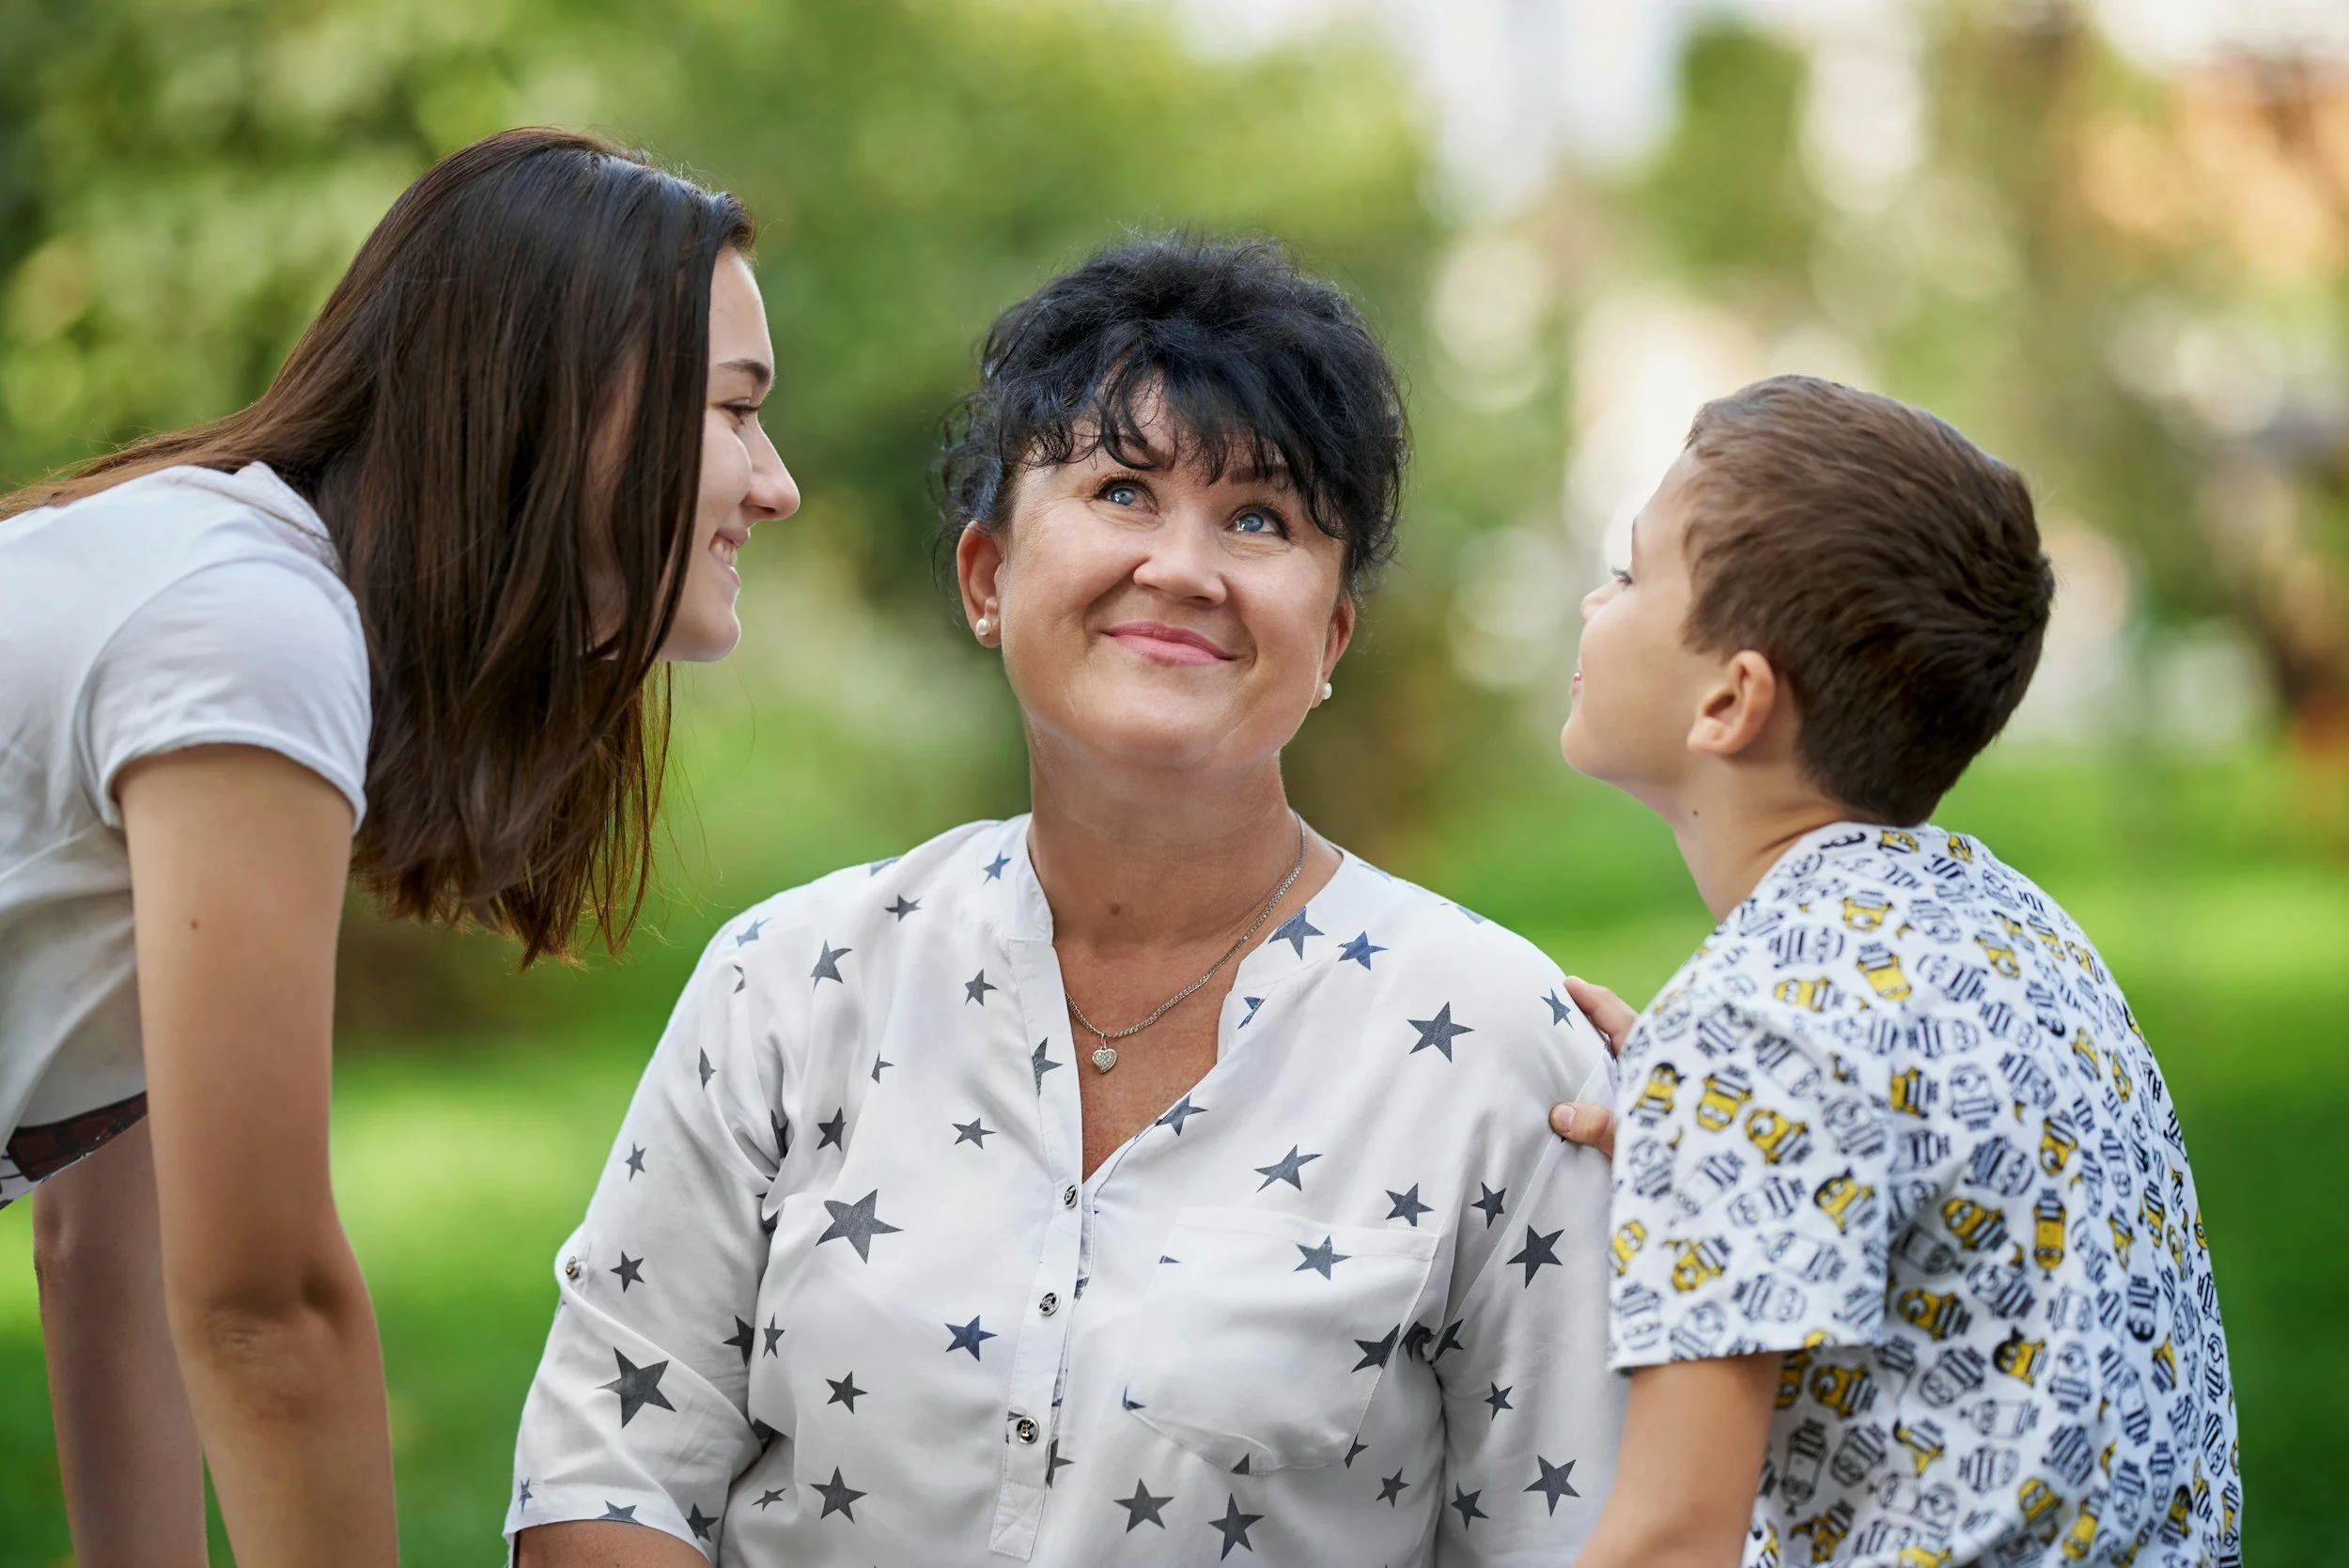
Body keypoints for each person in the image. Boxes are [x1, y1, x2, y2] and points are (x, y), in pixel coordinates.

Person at [508, 237, 1624, 1566]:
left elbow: (1588, 1535)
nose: (1184, 569)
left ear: (1329, 640)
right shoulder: (791, 985)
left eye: (1260, 519)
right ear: (987, 579)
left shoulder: (1496, 1047)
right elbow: (608, 1474)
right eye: (1121, 489)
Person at [0, 128, 798, 1565]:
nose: (776, 482)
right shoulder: (246, 627)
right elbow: (264, 1301)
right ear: (574, 402)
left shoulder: (225, 601)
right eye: (737, 412)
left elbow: (106, 1243)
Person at [1541, 375, 2241, 1567]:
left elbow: (1673, 1537)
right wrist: (1699, 1134)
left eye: (1629, 570)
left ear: (1729, 699)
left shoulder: (1753, 1029)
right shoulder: (2013, 923)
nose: (1594, 602)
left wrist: (1711, 1096)